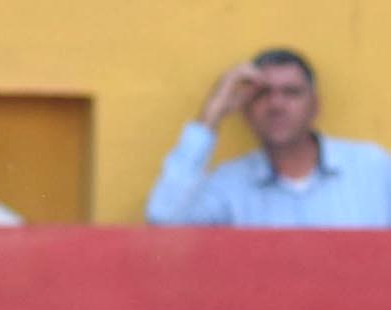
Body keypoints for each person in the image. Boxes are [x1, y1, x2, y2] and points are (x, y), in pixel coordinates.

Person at [146, 47, 391, 226]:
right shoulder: (230, 184)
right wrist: (212, 113)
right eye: (263, 93)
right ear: (245, 108)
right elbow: (164, 222)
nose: (276, 104)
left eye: (291, 92)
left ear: (315, 106)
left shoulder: (372, 168)